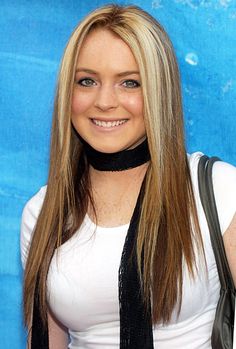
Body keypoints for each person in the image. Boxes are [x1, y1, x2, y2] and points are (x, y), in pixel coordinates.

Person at [20, 4, 236, 349]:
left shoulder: (218, 191)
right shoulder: (42, 212)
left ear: (158, 90)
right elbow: (47, 340)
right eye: (87, 81)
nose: (105, 101)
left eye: (130, 82)